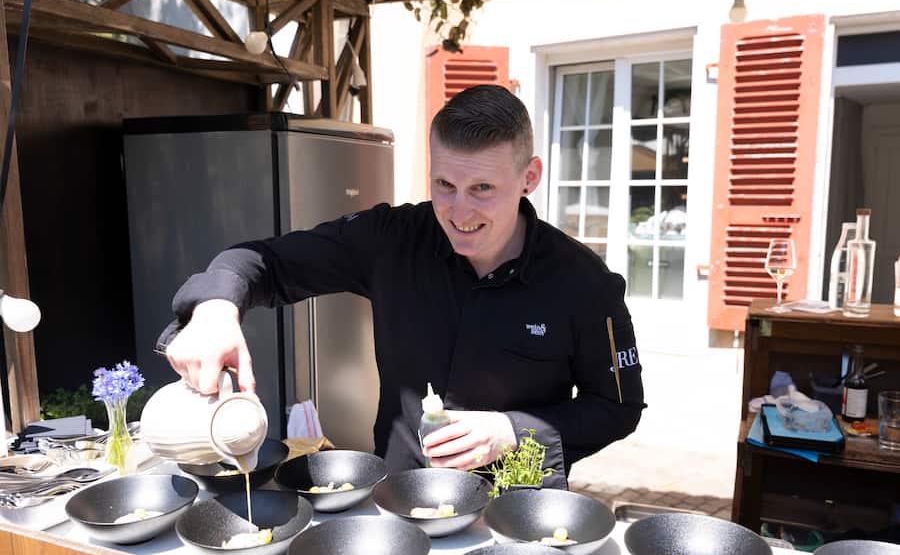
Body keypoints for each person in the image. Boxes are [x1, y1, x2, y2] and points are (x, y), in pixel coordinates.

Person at [158, 85, 644, 488]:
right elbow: (262, 262)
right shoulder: (392, 240)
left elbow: (617, 408)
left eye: (482, 189)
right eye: (444, 185)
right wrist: (216, 309)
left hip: (518, 511)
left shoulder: (584, 283)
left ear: (529, 177)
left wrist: (512, 431)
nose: (459, 212)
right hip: (398, 503)